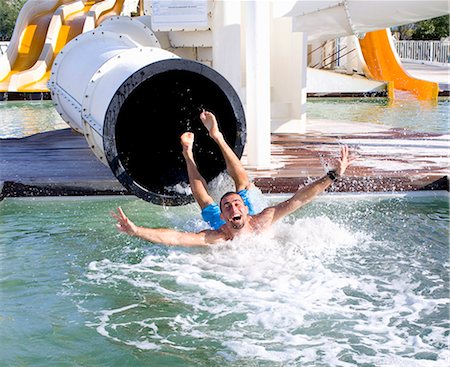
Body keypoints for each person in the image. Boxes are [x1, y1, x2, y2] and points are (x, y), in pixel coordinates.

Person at [112, 111, 354, 246]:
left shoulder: (262, 219)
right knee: (206, 201)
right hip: (220, 221)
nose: (232, 207)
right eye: (227, 207)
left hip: (250, 210)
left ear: (246, 211)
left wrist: (332, 176)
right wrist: (137, 230)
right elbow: (176, 238)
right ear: (225, 216)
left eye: (236, 205)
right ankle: (188, 154)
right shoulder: (217, 234)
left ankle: (217, 136)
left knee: (243, 185)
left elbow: (298, 200)